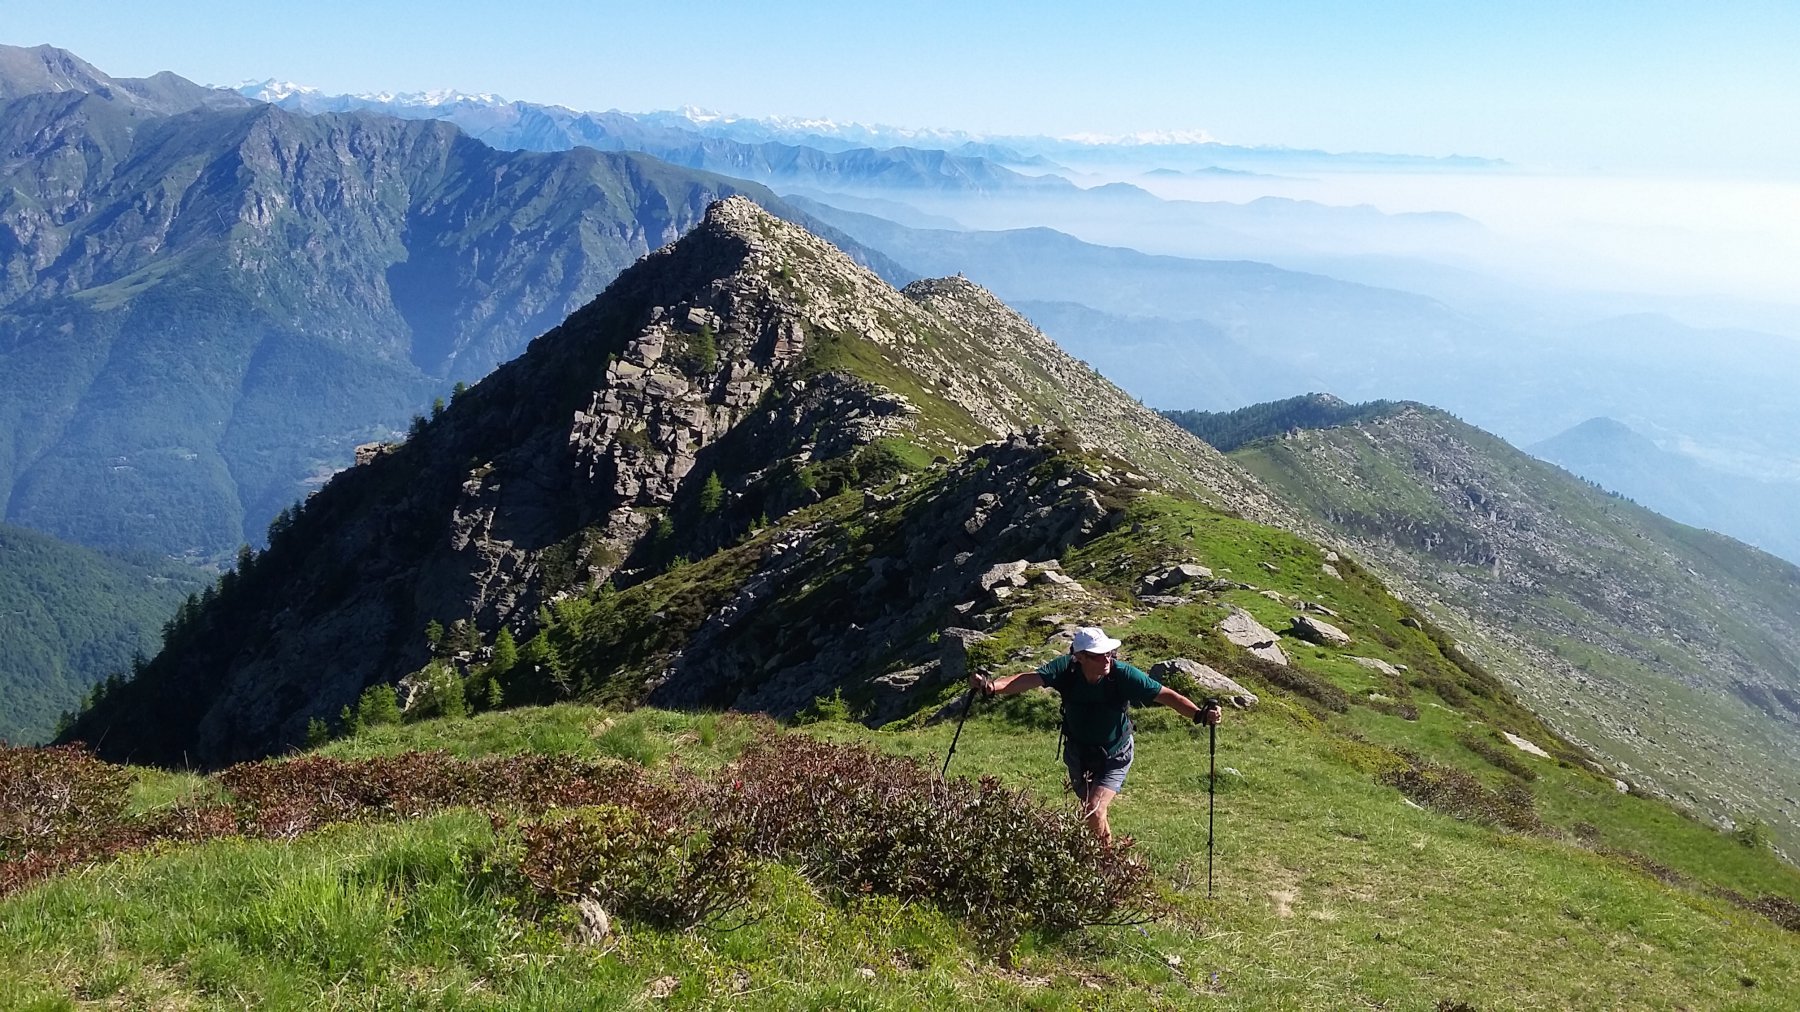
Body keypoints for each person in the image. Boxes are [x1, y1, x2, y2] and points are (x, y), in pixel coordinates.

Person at [971, 626, 1222, 844]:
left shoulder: (1123, 674)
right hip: (1078, 754)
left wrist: (1200, 715)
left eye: (1109, 653)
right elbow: (1027, 679)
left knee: (1093, 810)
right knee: (1090, 810)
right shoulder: (1065, 670)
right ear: (1080, 657)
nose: (1107, 659)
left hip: (1116, 753)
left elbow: (1166, 695)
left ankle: (1107, 869)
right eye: (1099, 655)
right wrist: (992, 688)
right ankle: (1103, 858)